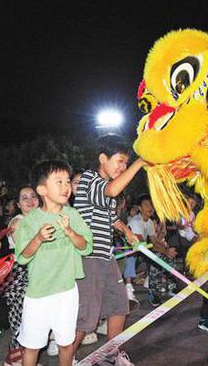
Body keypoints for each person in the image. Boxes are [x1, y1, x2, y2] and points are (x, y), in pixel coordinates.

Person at [14, 160, 93, 366]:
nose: (66, 186)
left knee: (66, 343)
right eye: (59, 181)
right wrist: (38, 239)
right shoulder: (30, 221)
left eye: (67, 181)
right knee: (32, 346)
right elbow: (22, 256)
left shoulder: (73, 215)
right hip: (38, 295)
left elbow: (86, 246)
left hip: (66, 292)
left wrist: (70, 232)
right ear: (41, 189)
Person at [72, 134, 145, 356]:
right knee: (87, 317)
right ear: (103, 158)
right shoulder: (89, 180)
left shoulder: (104, 187)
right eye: (120, 161)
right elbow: (112, 190)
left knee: (119, 305)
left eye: (126, 163)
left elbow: (111, 217)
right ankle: (67, 359)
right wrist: (140, 163)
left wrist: (127, 230)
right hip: (88, 256)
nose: (123, 167)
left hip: (106, 255)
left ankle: (112, 355)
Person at [2, 185, 41, 366]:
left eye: (33, 196)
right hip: (20, 275)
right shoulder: (17, 222)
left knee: (35, 320)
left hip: (38, 272)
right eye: (24, 198)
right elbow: (25, 252)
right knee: (23, 318)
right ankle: (15, 360)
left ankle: (28, 360)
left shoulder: (42, 219)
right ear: (18, 204)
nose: (30, 200)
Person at [129, 195, 178, 306]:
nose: (150, 207)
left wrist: (167, 250)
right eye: (146, 205)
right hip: (132, 253)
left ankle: (172, 286)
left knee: (168, 255)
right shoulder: (136, 222)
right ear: (139, 208)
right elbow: (142, 246)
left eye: (151, 205)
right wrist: (164, 251)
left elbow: (154, 242)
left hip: (142, 249)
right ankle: (153, 293)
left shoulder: (150, 222)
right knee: (156, 259)